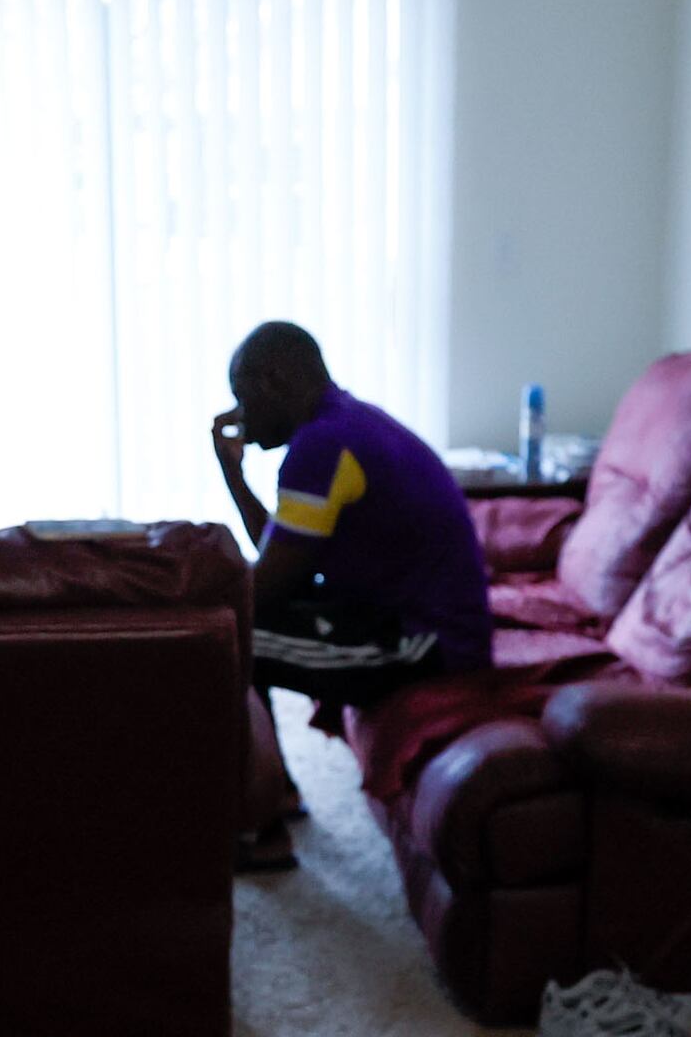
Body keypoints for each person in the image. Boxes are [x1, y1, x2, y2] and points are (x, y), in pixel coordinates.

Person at [210, 323, 491, 863]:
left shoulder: (322, 446)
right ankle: (276, 793)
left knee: (227, 639)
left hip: (424, 643)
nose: (239, 415)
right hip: (398, 620)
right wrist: (234, 477)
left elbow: (268, 589)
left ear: (274, 381)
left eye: (242, 396)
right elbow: (282, 559)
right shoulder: (344, 427)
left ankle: (257, 830)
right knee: (238, 620)